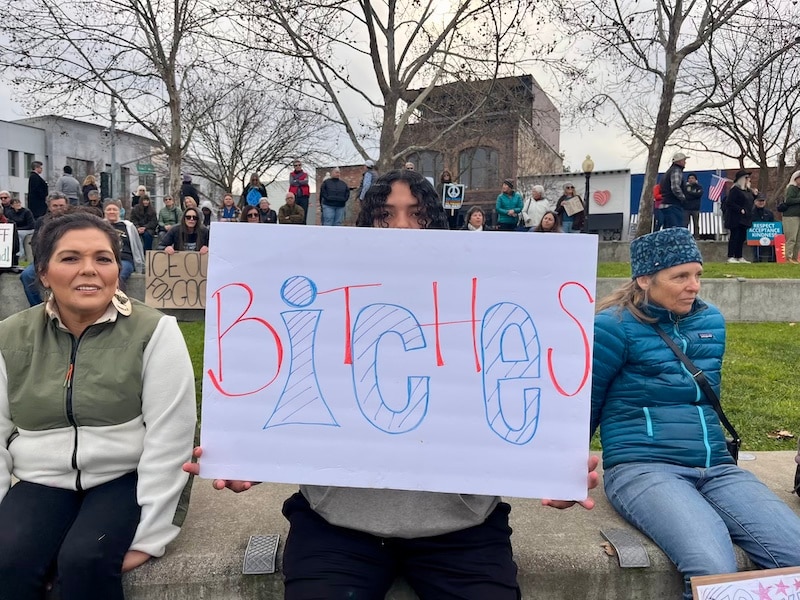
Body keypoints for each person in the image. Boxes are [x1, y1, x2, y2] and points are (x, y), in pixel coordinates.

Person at [184, 169, 599, 599]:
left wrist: (555, 465)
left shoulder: (481, 294)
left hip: (461, 529)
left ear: (437, 222)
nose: (401, 227)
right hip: (337, 527)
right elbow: (288, 378)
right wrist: (246, 451)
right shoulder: (331, 293)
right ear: (366, 225)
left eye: (416, 214)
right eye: (385, 215)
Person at [591, 227, 800, 600]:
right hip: (643, 468)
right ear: (644, 278)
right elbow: (585, 404)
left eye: (698, 274)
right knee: (713, 568)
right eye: (680, 276)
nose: (694, 286)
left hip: (717, 468)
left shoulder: (711, 323)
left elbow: (703, 401)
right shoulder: (612, 326)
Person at [0, 211, 195, 600]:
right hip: (40, 479)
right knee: (8, 560)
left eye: (102, 259)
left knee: (86, 559)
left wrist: (151, 534)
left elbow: (171, 438)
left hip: (123, 477)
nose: (89, 270)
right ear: (42, 272)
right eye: (70, 258)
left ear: (116, 271)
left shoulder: (155, 331)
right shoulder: (9, 336)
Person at [20, 192, 70, 306]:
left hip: (67, 259)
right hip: (44, 259)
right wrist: (40, 263)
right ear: (49, 207)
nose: (59, 209)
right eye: (55, 206)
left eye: (61, 206)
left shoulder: (74, 221)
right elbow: (35, 243)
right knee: (27, 275)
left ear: (67, 205)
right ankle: (39, 306)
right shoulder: (41, 222)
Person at [104, 200, 145, 290]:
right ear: (105, 212)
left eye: (114, 209)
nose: (112, 211)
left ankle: (119, 301)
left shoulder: (128, 226)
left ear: (119, 211)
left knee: (119, 276)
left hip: (125, 259)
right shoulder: (99, 226)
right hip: (105, 259)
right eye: (109, 209)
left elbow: (138, 245)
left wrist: (141, 265)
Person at [725, 169, 755, 264]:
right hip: (736, 218)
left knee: (742, 238)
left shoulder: (748, 191)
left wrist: (755, 195)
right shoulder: (735, 190)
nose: (748, 180)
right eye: (746, 178)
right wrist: (739, 209)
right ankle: (731, 256)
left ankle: (739, 255)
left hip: (745, 218)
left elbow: (750, 201)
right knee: (735, 236)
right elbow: (729, 203)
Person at [658, 152, 689, 229]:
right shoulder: (676, 170)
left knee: (668, 231)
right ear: (679, 161)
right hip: (673, 205)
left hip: (665, 204)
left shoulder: (668, 172)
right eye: (684, 160)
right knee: (676, 231)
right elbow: (675, 187)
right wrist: (683, 198)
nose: (685, 162)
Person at [782, 170, 800, 264]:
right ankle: (788, 257)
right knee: (791, 238)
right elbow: (788, 200)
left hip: (798, 215)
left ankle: (795, 257)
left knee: (798, 239)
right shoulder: (791, 188)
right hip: (791, 216)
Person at [751, 195, 775, 263]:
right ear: (755, 202)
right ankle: (756, 258)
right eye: (759, 201)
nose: (761, 202)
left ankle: (772, 258)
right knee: (755, 242)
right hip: (755, 235)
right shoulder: (751, 212)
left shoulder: (769, 213)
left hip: (768, 235)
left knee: (773, 241)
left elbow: (773, 224)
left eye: (763, 201)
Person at [682, 173, 703, 238]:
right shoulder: (685, 187)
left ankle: (696, 236)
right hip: (686, 208)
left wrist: (690, 193)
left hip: (695, 208)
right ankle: (684, 236)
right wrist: (693, 194)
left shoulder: (699, 187)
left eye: (692, 178)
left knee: (696, 224)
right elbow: (685, 196)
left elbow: (699, 195)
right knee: (685, 223)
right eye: (689, 178)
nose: (691, 179)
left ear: (695, 179)